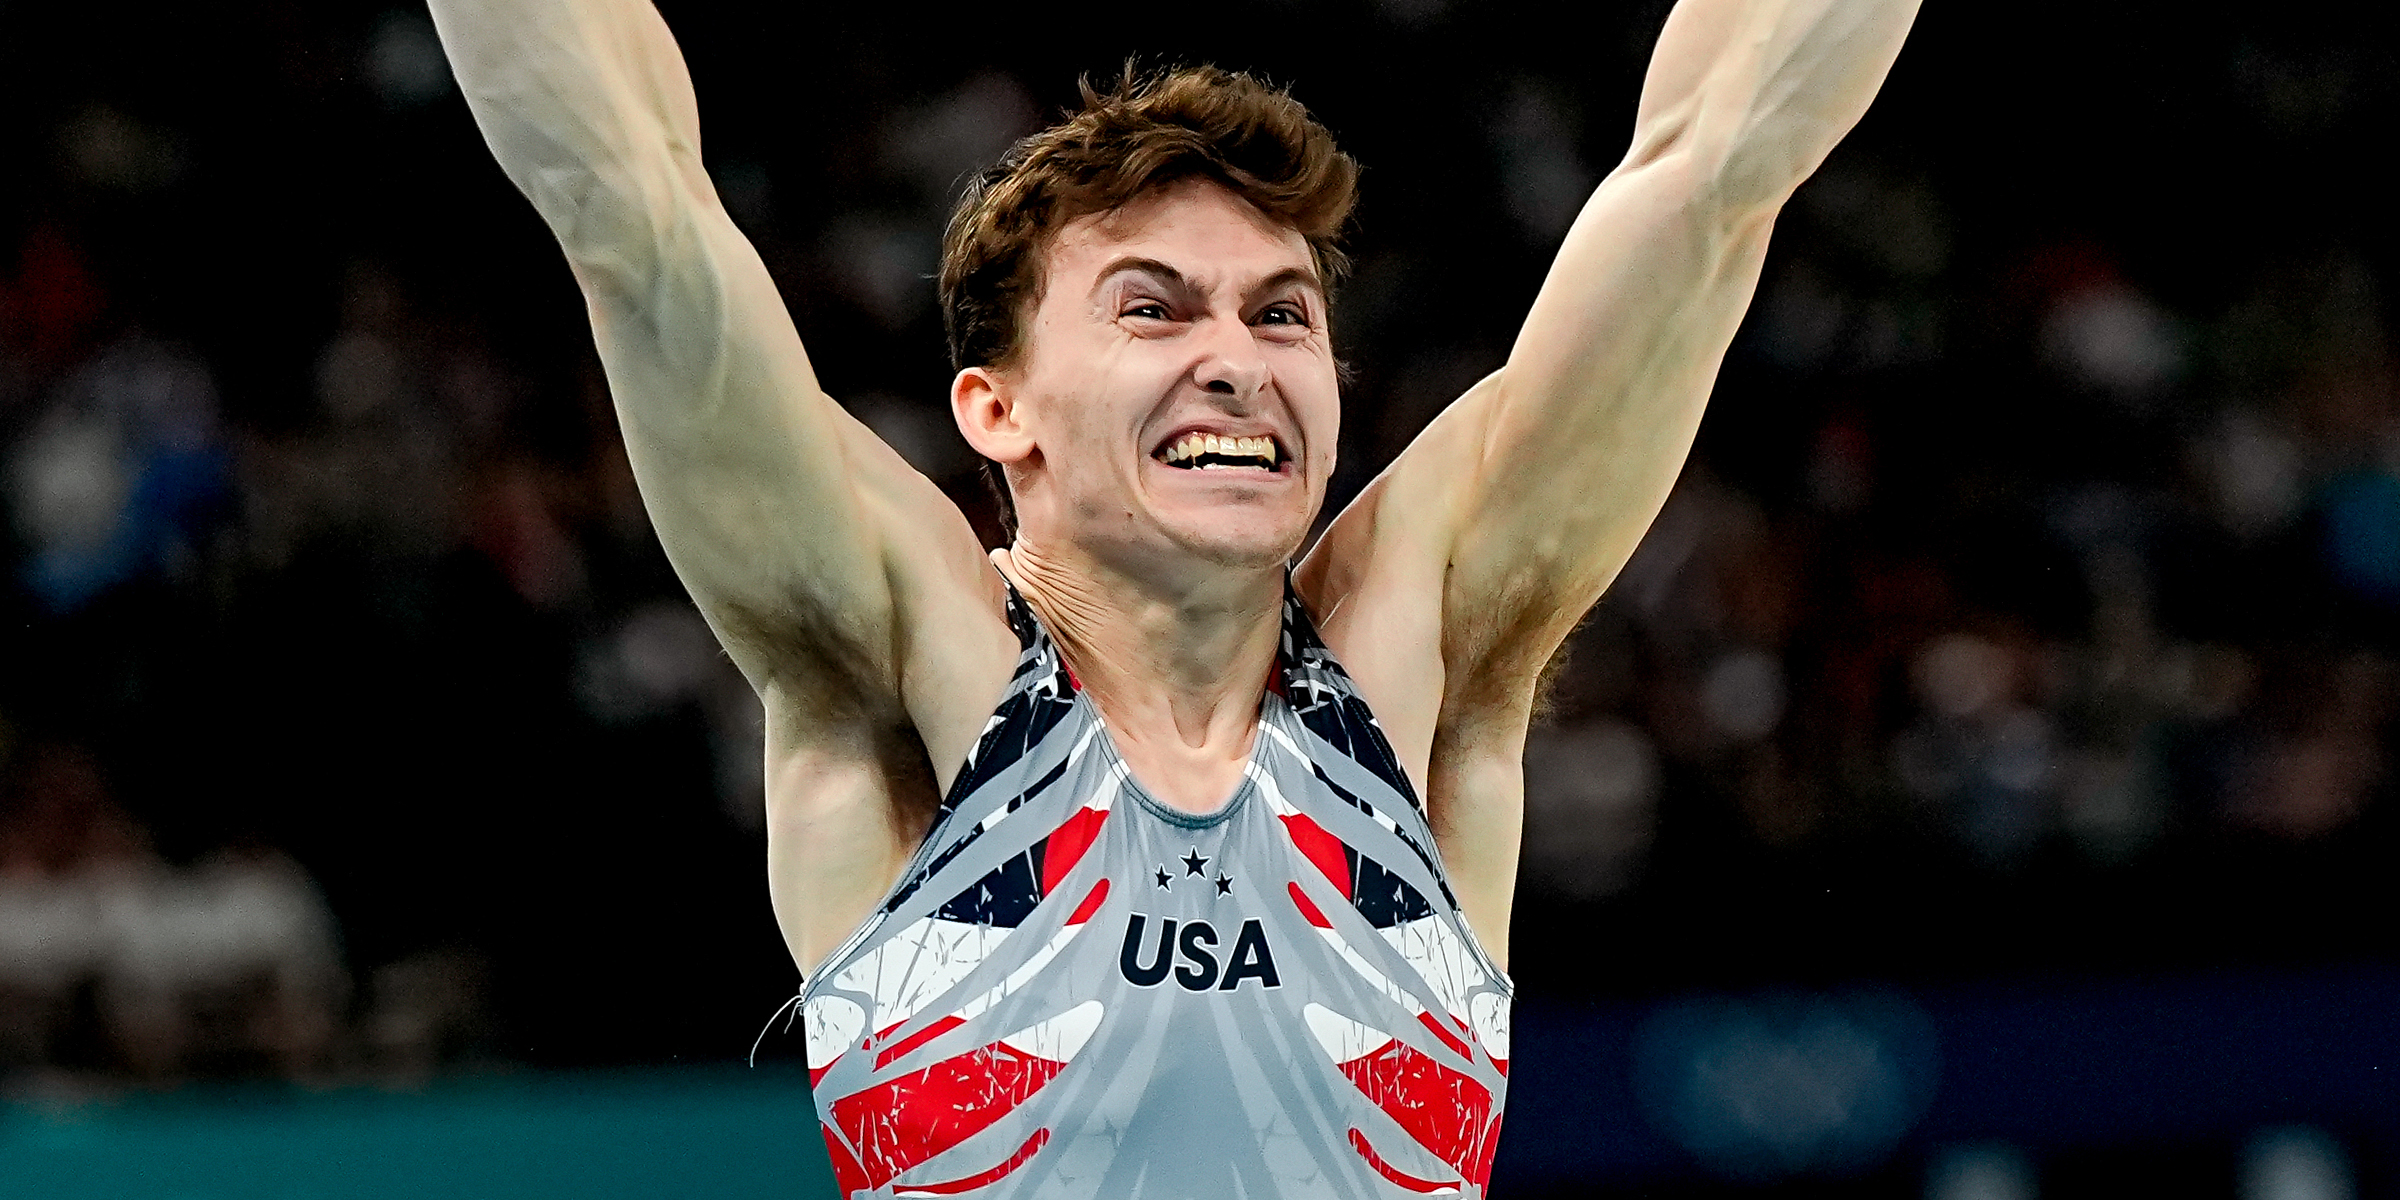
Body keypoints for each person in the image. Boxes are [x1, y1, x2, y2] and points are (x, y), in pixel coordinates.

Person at [429, 0, 1918, 1193]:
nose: (1237, 357)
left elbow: (1715, 169)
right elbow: (624, 198)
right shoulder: (904, 664)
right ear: (996, 409)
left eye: (1283, 314)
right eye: (1153, 306)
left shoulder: (1431, 649)